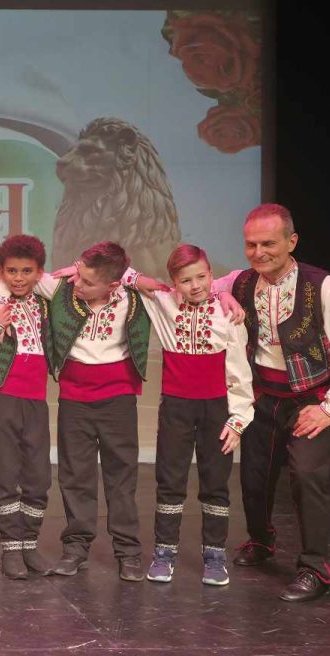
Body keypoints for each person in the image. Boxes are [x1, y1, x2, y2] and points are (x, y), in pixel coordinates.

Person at [217, 203, 330, 602]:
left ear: (292, 241)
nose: (258, 253)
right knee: (253, 477)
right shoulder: (240, 282)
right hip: (263, 397)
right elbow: (201, 284)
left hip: (311, 399)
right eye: (251, 244)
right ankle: (260, 540)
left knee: (306, 476)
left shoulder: (324, 288)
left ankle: (314, 568)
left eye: (268, 243)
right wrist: (222, 296)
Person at [130, 244, 253, 586]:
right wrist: (147, 283)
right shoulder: (163, 303)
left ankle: (214, 556)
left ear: (212, 275)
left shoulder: (228, 315)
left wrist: (237, 421)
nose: (195, 285)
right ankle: (164, 553)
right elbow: (122, 275)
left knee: (215, 483)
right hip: (176, 408)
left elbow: (240, 375)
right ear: (174, 282)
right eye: (185, 280)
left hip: (217, 410)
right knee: (170, 481)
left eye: (201, 277)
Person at [0, 235, 56, 580]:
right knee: (6, 473)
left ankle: (30, 544)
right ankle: (11, 548)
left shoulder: (46, 307)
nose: (18, 278)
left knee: (38, 475)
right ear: (1, 272)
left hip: (36, 402)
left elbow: (66, 288)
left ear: (39, 273)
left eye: (26, 271)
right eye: (11, 271)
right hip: (3, 399)